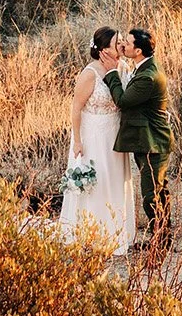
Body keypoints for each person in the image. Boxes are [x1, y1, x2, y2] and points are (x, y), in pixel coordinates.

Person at [58, 26, 136, 255]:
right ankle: (90, 233)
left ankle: (114, 232)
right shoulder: (89, 74)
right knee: (96, 183)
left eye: (121, 42)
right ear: (103, 50)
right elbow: (76, 107)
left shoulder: (122, 68)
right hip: (92, 135)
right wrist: (78, 141)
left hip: (114, 135)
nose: (120, 47)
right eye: (115, 44)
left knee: (114, 180)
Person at [103, 27, 172, 240]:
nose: (123, 46)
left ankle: (159, 239)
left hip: (153, 142)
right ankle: (163, 236)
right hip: (148, 140)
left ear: (139, 50)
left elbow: (123, 101)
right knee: (159, 190)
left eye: (128, 43)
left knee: (151, 196)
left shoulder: (148, 77)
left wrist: (111, 74)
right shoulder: (145, 65)